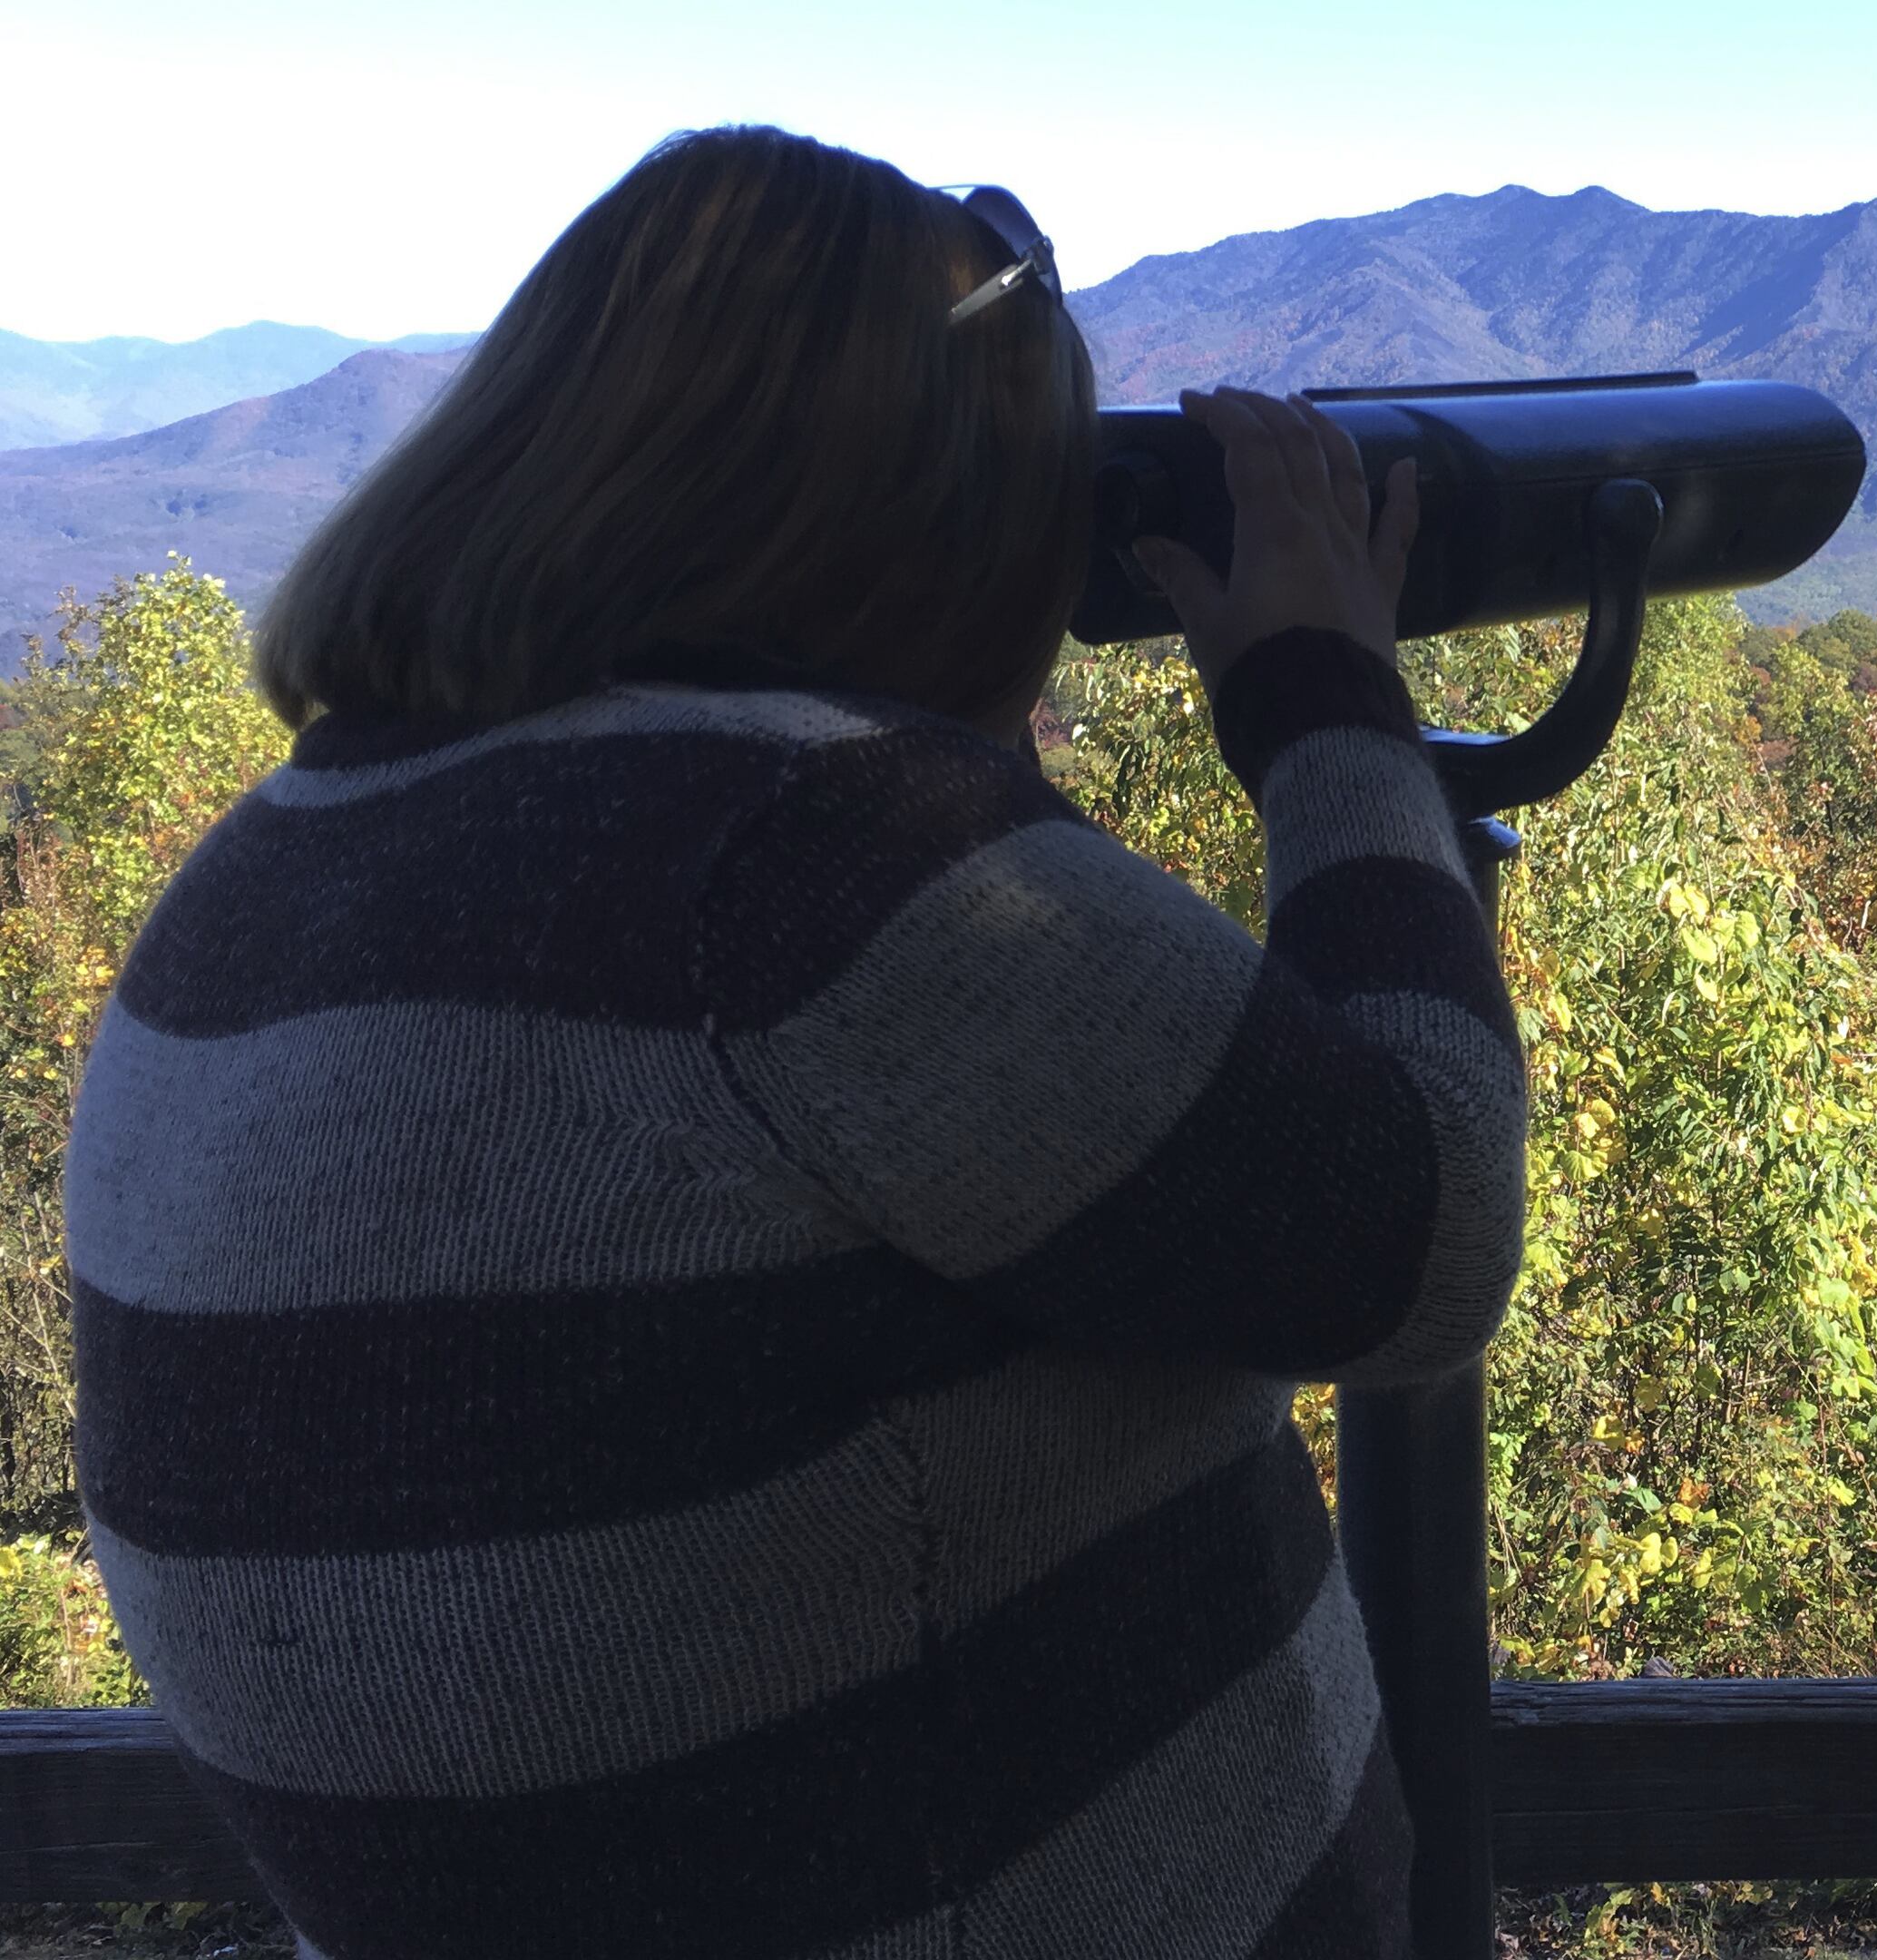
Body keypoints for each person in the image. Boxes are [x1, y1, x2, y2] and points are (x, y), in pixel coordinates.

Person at [62, 124, 1522, 1958]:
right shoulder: (812, 862)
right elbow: (1426, 1226)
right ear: (940, 516)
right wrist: (1327, 693)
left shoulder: (252, 886)